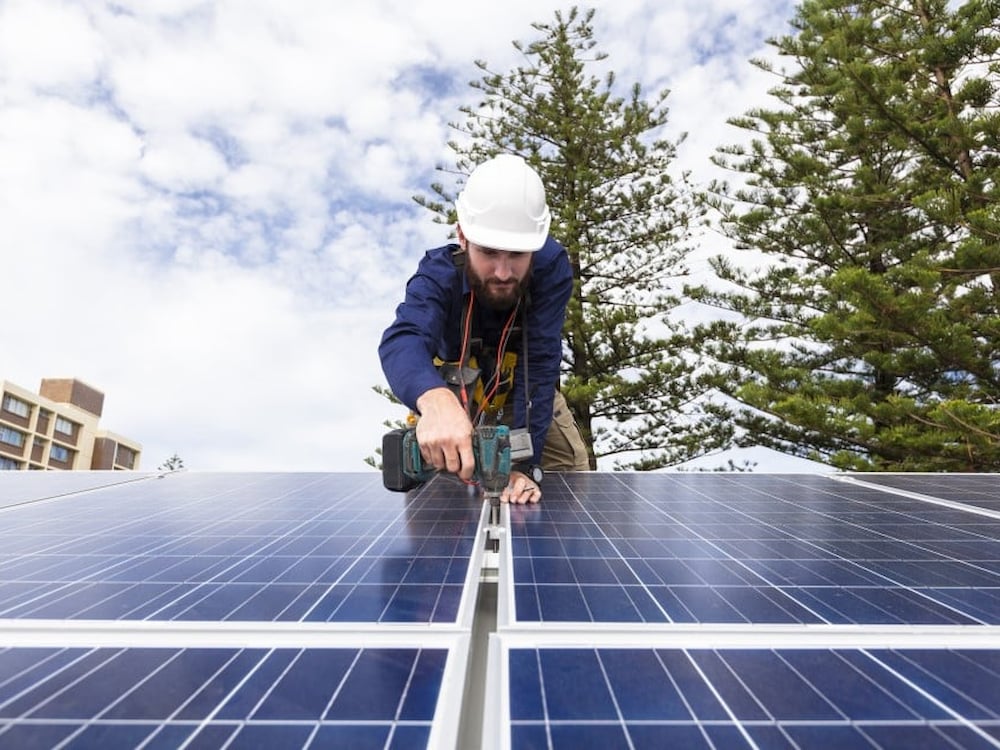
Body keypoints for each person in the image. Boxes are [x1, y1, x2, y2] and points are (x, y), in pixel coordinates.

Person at [379, 154, 589, 504]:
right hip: (454, 405)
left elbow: (539, 362)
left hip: (528, 399)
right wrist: (435, 401)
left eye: (518, 254)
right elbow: (404, 338)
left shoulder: (551, 268)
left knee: (570, 497)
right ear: (463, 237)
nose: (504, 273)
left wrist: (525, 462)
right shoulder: (438, 275)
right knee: (437, 514)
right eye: (490, 252)